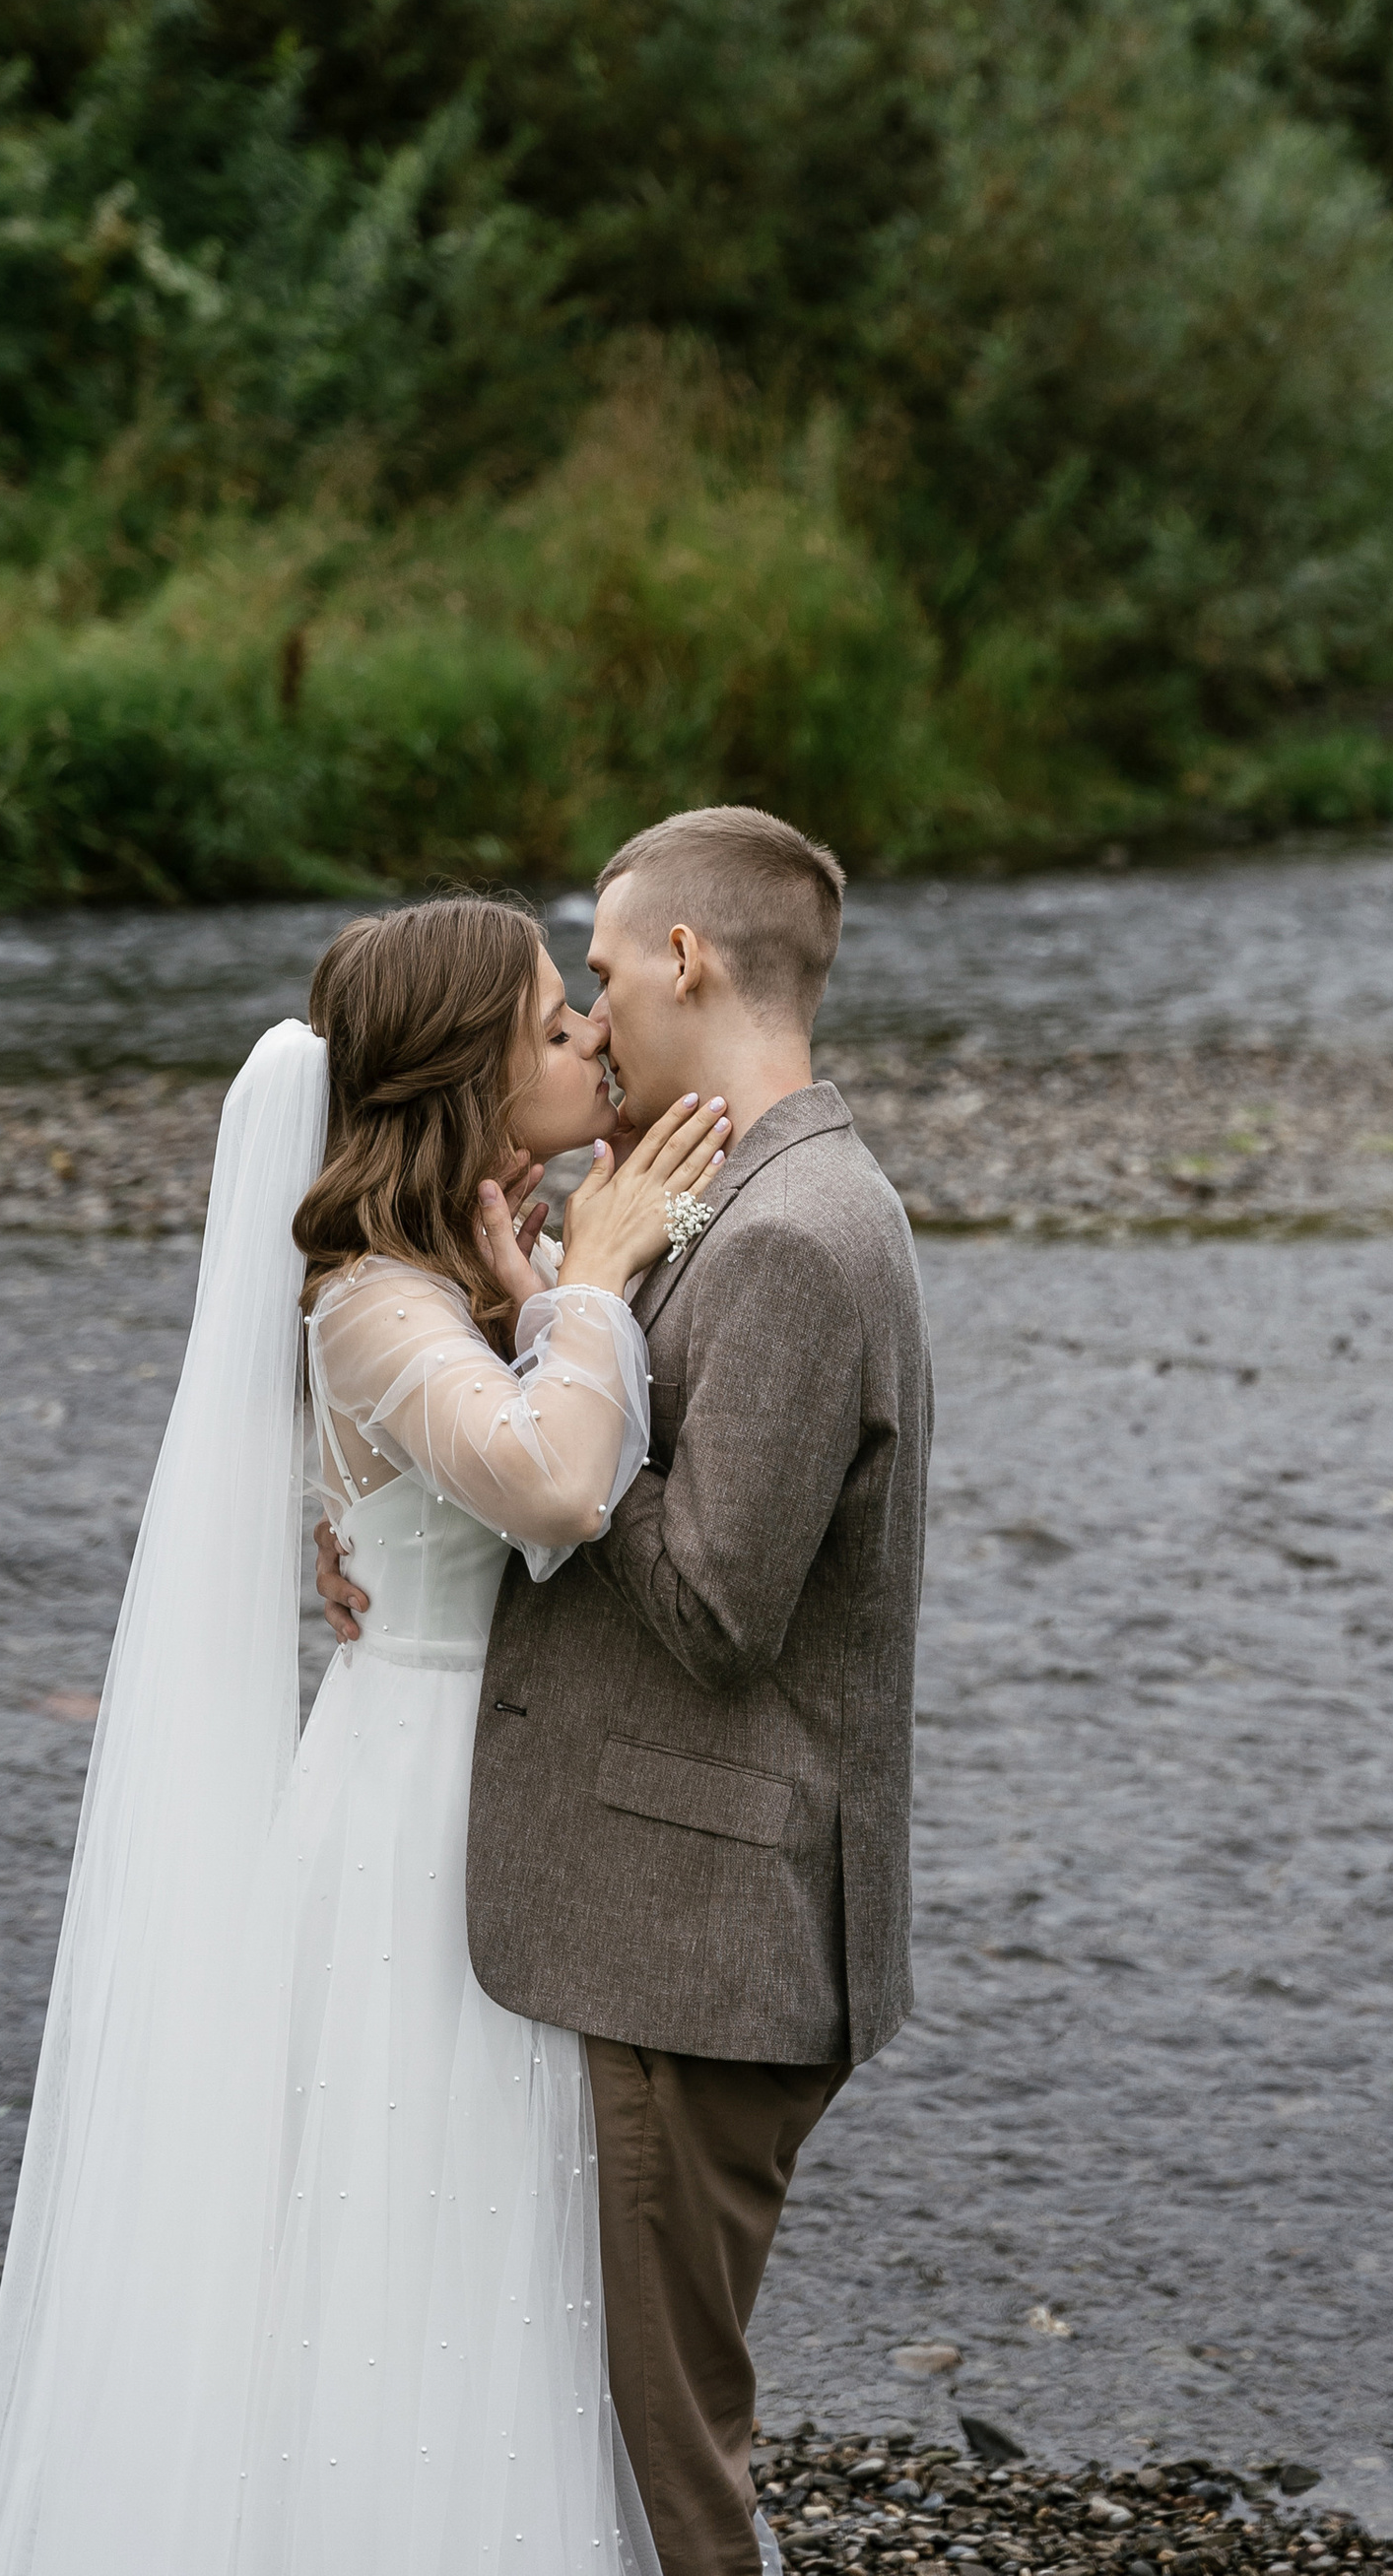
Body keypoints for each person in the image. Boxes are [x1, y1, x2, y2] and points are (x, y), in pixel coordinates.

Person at [0, 894, 729, 2576]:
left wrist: (534, 1288)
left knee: (499, 2236)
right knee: (424, 2238)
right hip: (419, 1825)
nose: (589, 1037)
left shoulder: (444, 1276)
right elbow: (554, 1485)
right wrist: (594, 1276)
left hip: (475, 1782)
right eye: (548, 1022)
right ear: (460, 1073)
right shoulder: (375, 1303)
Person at [318, 806, 932, 2576]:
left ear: (686, 960)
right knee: (611, 2421)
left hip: (703, 1928)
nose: (587, 1015)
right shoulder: (728, 1197)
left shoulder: (796, 1237)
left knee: (675, 2466)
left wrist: (551, 1364)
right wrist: (479, 1418)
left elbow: (719, 1606)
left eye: (596, 971)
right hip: (643, 1907)